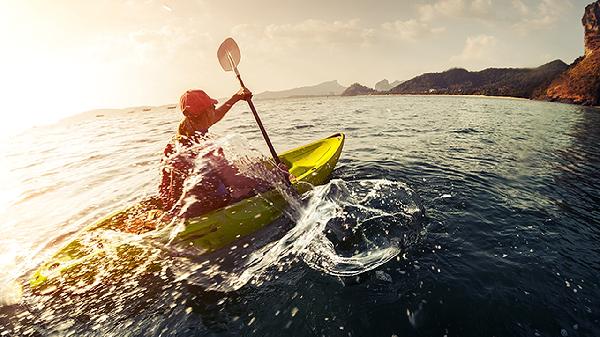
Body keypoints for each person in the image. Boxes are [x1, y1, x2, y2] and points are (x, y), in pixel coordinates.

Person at [159, 88, 287, 218]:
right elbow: (235, 180)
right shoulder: (204, 147)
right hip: (198, 210)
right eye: (212, 107)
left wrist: (236, 98)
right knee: (248, 187)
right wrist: (276, 179)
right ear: (205, 113)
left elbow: (216, 116)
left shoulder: (182, 135)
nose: (215, 110)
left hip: (174, 206)